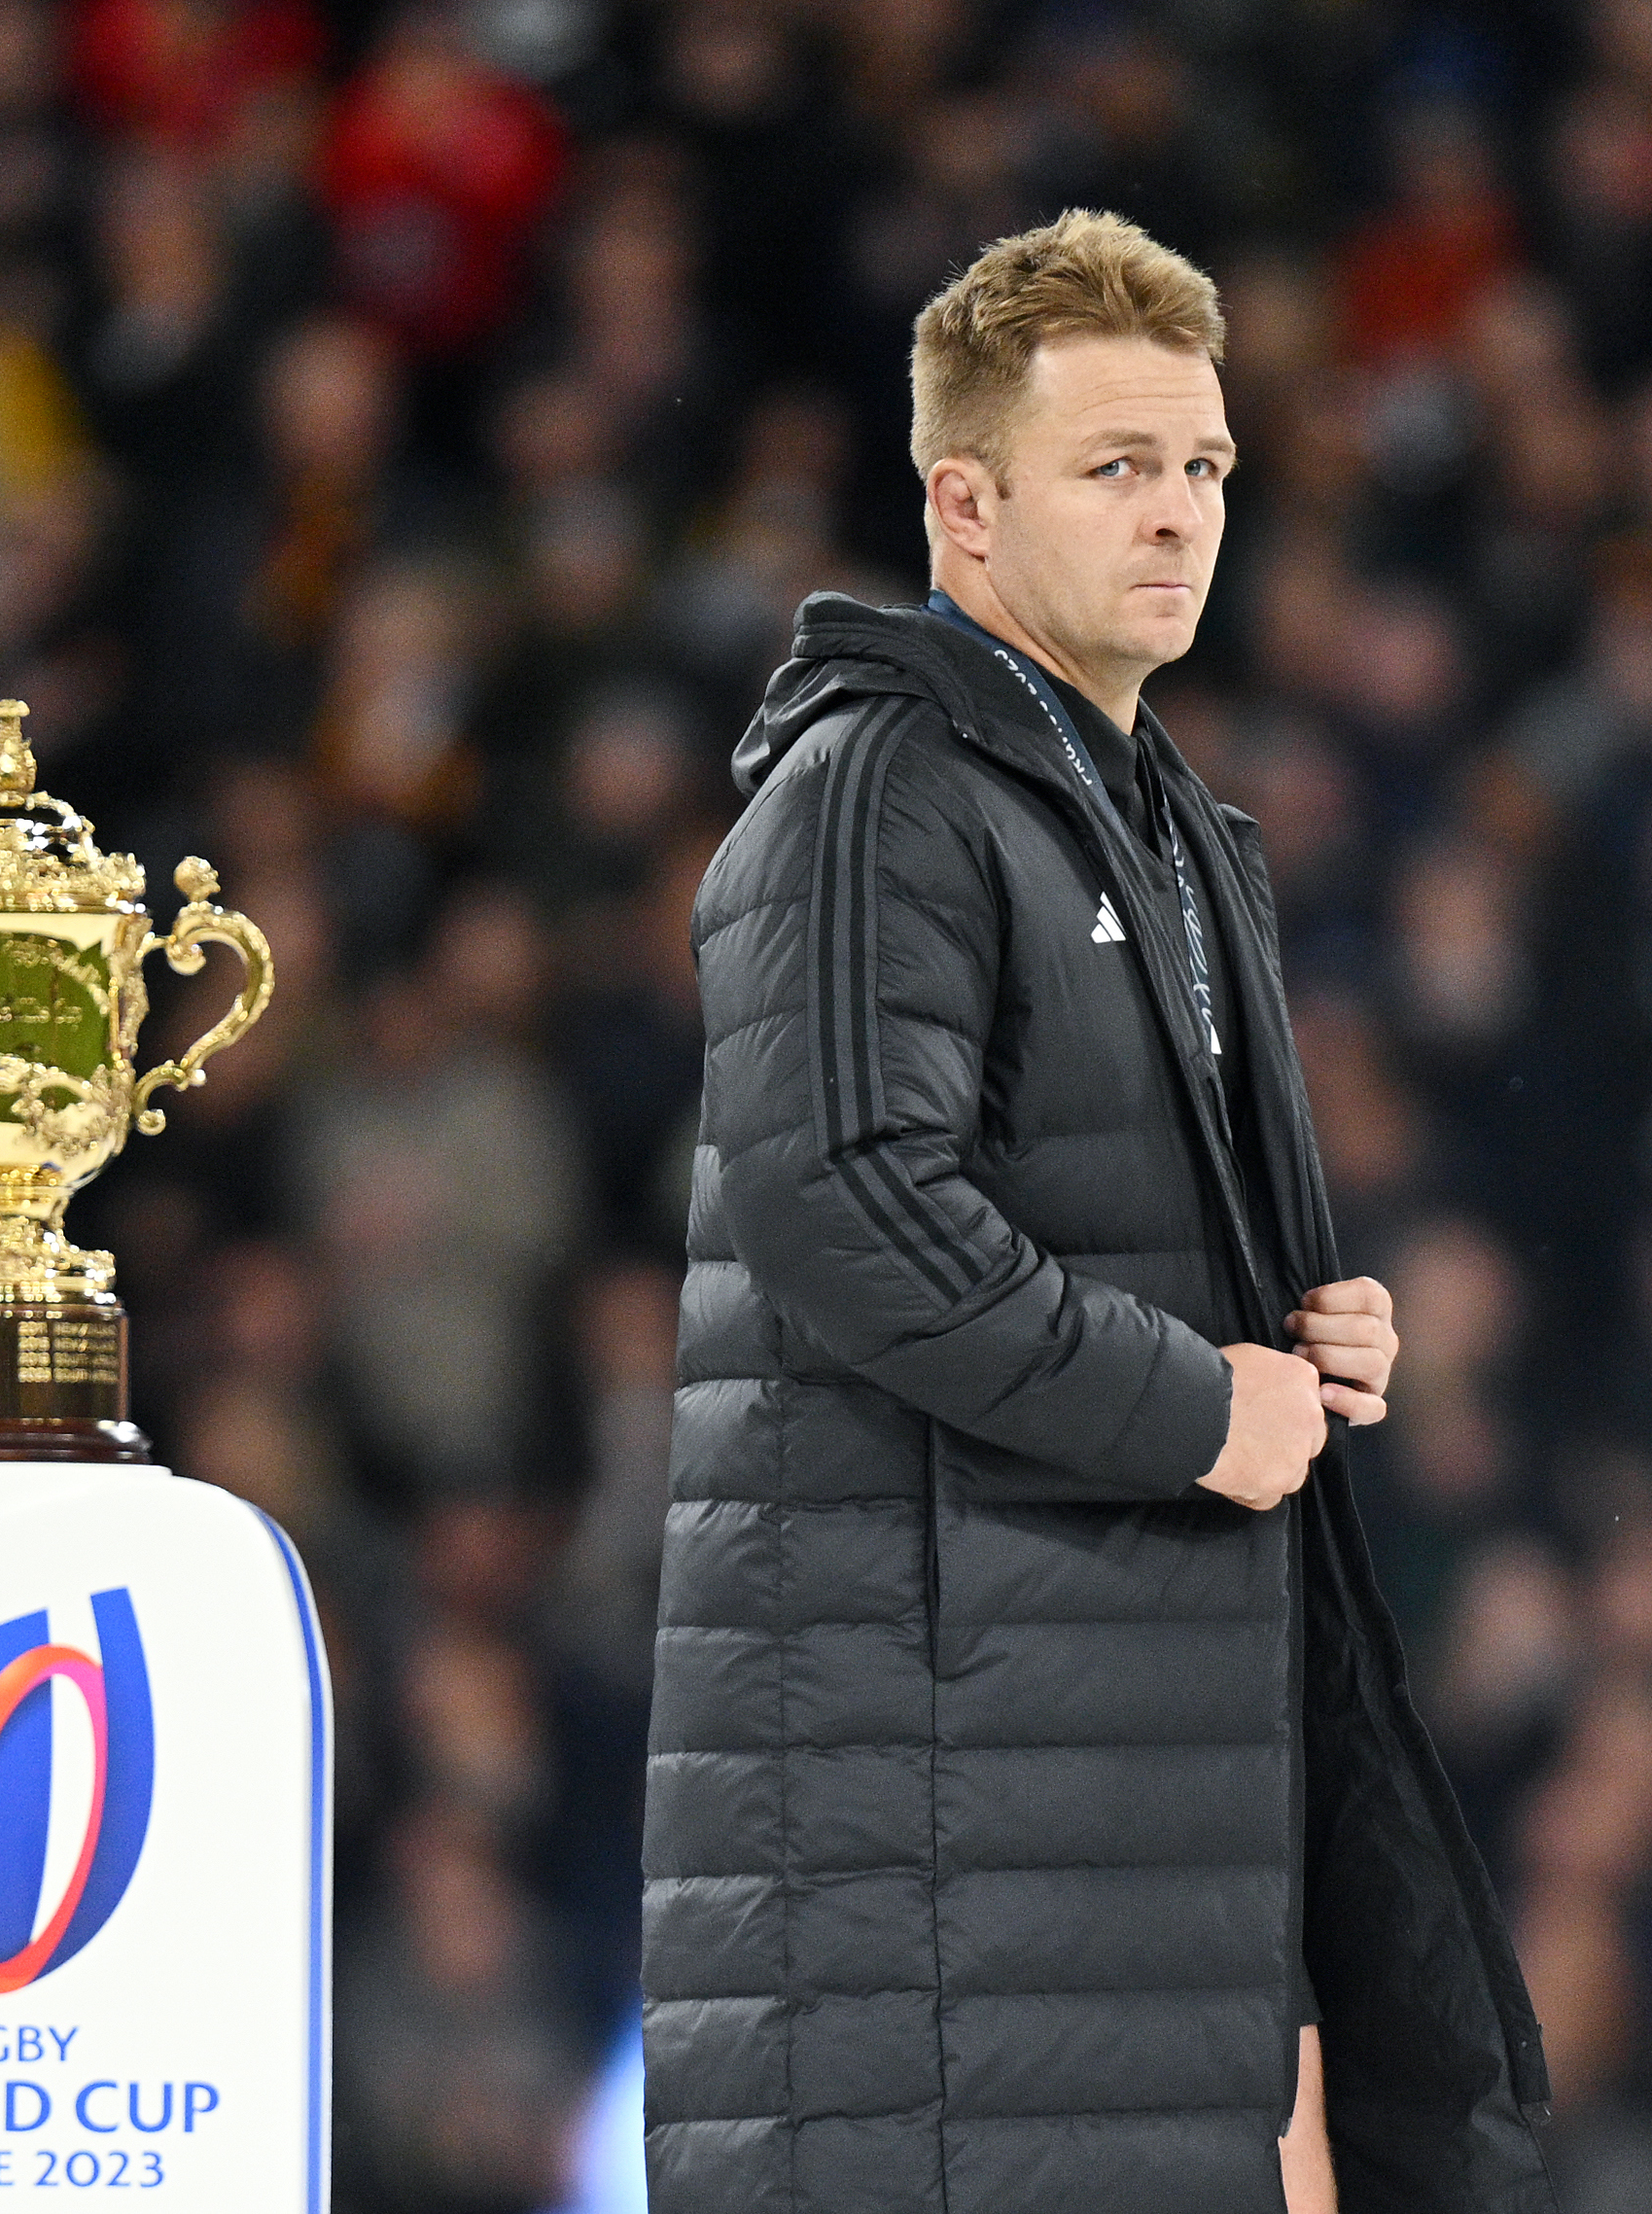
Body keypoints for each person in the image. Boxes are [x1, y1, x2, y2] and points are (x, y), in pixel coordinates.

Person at [641, 211, 1554, 2213]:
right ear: (962, 506)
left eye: (1206, 464)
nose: (1178, 513)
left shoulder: (1165, 822)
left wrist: (1300, 1324)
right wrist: (1197, 1402)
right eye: (1116, 465)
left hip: (1123, 1831)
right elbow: (847, 1197)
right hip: (942, 1874)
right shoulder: (876, 784)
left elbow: (1103, 1232)